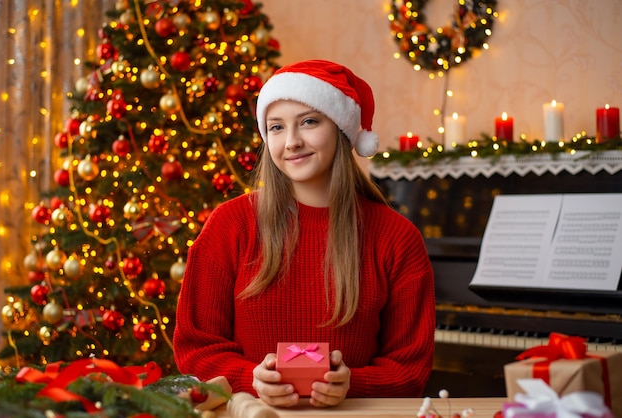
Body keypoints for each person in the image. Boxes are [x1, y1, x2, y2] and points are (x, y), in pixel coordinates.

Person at [173, 59, 435, 408]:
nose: (292, 142)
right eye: (276, 127)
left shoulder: (396, 237)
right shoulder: (229, 225)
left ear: (341, 129)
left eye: (309, 122)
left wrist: (352, 384)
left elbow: (410, 368)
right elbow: (196, 347)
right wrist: (251, 378)